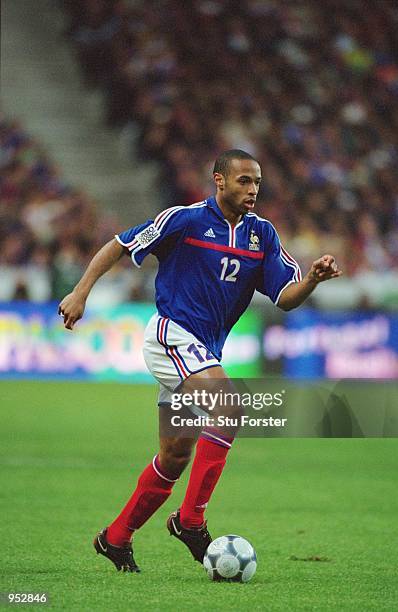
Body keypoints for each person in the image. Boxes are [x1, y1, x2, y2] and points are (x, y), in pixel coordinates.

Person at [59, 149, 342, 573]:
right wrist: (80, 293)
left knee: (174, 456)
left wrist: (312, 280)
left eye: (258, 183)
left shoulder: (261, 235)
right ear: (219, 181)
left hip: (202, 351)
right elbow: (119, 244)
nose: (252, 190)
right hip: (171, 335)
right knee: (228, 408)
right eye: (244, 181)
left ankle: (115, 538)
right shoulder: (185, 220)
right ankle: (190, 522)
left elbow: (284, 298)